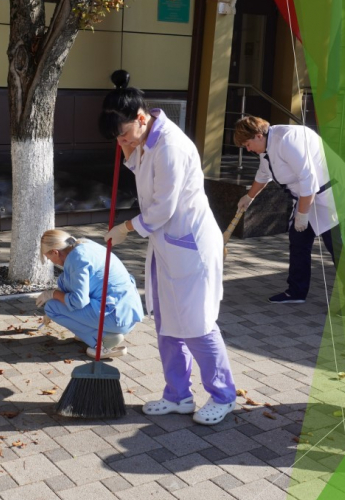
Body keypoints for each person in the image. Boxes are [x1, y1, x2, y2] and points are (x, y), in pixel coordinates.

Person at [99, 70, 237, 425]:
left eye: (125, 135)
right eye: (118, 139)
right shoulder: (146, 139)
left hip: (190, 244)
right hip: (166, 245)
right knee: (166, 322)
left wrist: (127, 227)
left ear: (141, 118)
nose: (122, 143)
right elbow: (145, 179)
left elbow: (162, 207)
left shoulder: (171, 146)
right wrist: (130, 147)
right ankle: (178, 395)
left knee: (198, 324)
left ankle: (223, 395)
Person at [234, 115, 345, 317]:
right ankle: (296, 291)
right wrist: (249, 197)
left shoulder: (288, 140)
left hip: (331, 194)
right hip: (306, 196)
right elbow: (263, 173)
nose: (248, 149)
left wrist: (302, 215)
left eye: (247, 144)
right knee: (298, 241)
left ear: (258, 135)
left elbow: (308, 179)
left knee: (337, 246)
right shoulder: (265, 145)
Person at [36, 229, 144, 358]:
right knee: (62, 288)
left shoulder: (77, 260)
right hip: (128, 311)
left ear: (55, 252)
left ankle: (102, 341)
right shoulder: (84, 244)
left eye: (49, 258)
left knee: (52, 307)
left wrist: (52, 295)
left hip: (116, 318)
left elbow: (79, 301)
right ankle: (90, 332)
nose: (51, 262)